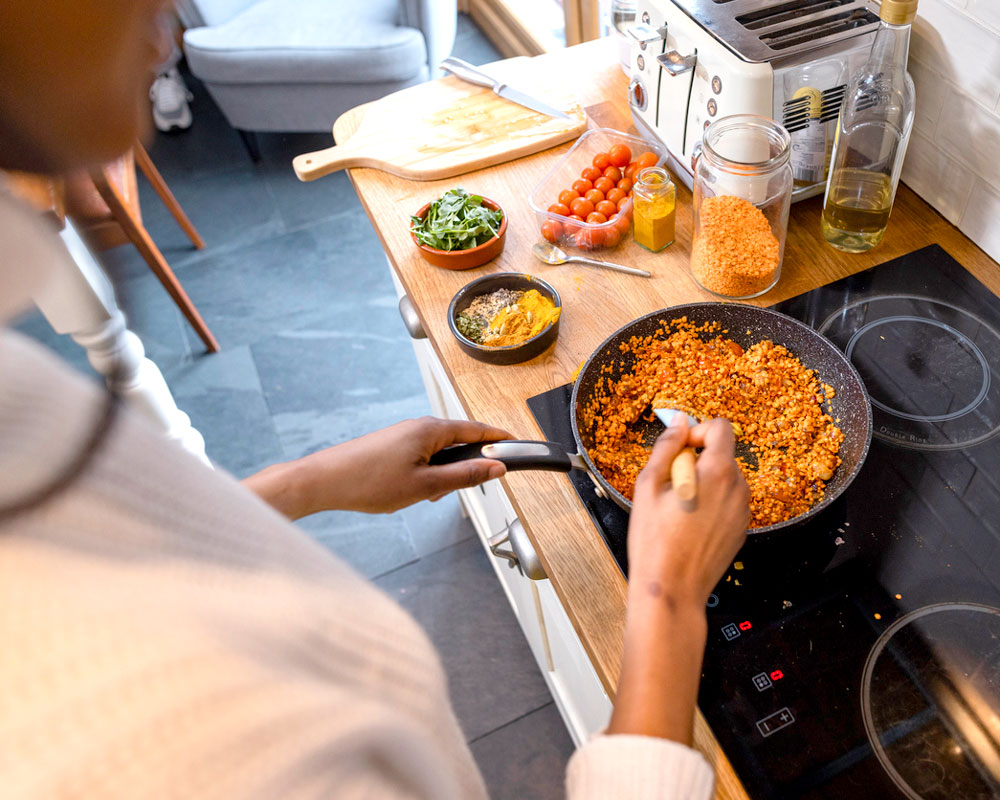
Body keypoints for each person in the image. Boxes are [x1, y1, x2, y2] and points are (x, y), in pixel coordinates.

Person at [0, 1, 753, 798]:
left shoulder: (28, 392)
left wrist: (309, 482)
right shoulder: (166, 741)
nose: (164, 37)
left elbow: (123, 556)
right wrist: (667, 603)